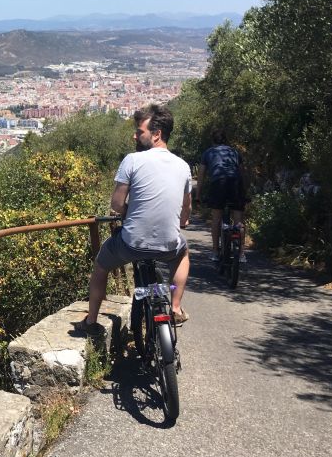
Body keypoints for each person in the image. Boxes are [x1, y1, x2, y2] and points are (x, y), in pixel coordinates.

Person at [78, 104, 192, 333]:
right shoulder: (183, 166)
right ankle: (176, 308)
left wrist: (130, 211)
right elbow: (186, 209)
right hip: (168, 245)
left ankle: (91, 320)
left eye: (140, 132)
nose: (135, 135)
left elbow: (117, 205)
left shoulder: (132, 160)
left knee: (101, 266)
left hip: (131, 244)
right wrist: (182, 222)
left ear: (156, 134)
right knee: (183, 253)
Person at [196, 129, 247, 263]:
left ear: (213, 141)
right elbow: (242, 173)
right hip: (235, 183)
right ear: (226, 140)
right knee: (238, 219)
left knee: (217, 218)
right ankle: (241, 253)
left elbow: (200, 176)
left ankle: (215, 252)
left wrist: (198, 195)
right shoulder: (235, 152)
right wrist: (244, 191)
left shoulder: (208, 153)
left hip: (218, 183)